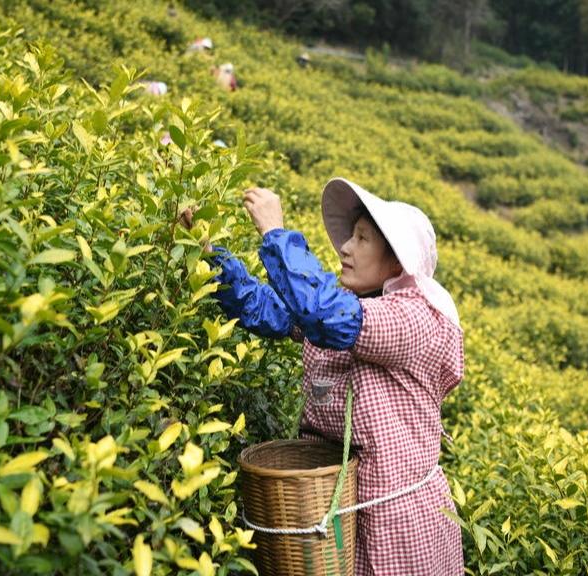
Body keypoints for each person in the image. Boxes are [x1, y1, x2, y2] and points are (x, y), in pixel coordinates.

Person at [185, 178, 464, 575]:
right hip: (334, 513)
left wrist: (275, 233)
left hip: (399, 524)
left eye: (363, 239)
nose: (346, 248)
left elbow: (323, 314)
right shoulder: (354, 306)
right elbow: (264, 308)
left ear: (397, 262)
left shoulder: (416, 318)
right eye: (351, 236)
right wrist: (207, 251)